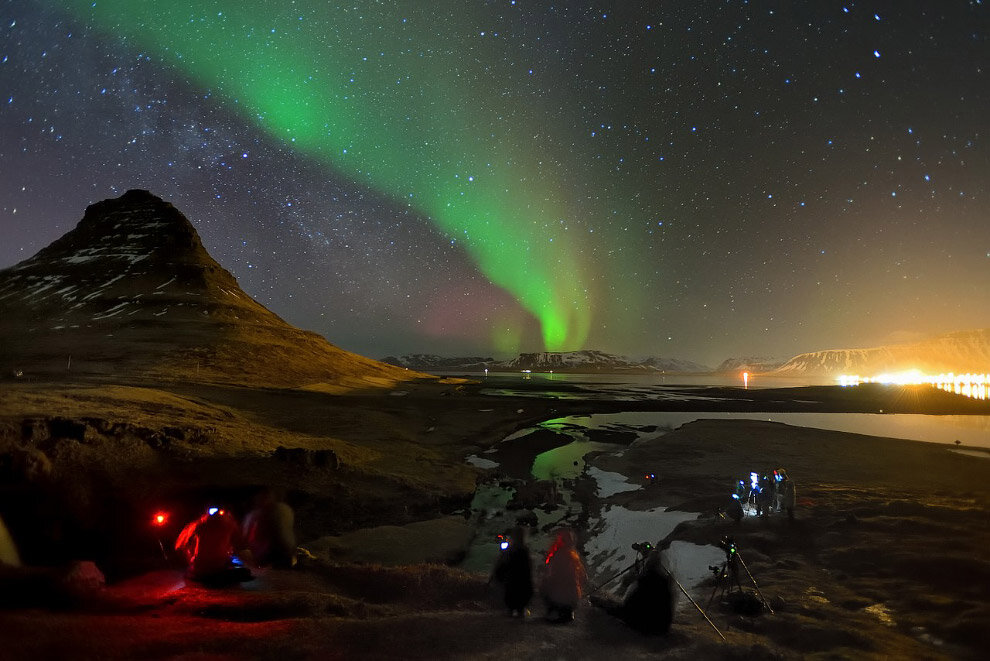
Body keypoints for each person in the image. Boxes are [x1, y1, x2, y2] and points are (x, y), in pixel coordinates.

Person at [592, 549, 675, 635]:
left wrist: (634, 576)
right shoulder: (666, 581)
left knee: (603, 603)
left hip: (641, 624)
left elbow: (629, 603)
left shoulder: (645, 579)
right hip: (662, 627)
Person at [175, 507, 251, 585]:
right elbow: (239, 544)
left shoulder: (197, 525)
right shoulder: (229, 525)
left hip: (200, 567)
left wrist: (191, 558)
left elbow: (180, 545)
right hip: (218, 565)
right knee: (238, 566)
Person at [242, 488, 296, 569]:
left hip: (266, 557)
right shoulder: (286, 509)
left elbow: (246, 535)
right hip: (287, 554)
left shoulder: (255, 515)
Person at [541, 529, 586, 623]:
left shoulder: (559, 555)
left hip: (560, 597)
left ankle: (554, 610)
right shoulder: (574, 557)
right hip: (573, 597)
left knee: (545, 584)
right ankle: (567, 611)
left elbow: (552, 575)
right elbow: (583, 576)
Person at [491, 525, 533, 617]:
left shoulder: (512, 551)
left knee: (511, 605)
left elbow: (504, 564)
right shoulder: (523, 551)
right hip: (520, 583)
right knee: (519, 607)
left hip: (512, 582)